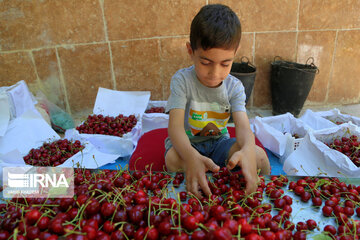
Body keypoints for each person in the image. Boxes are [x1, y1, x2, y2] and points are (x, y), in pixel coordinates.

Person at [164, 4, 270, 199]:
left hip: (219, 143)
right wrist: (190, 157)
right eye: (205, 63)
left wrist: (246, 151)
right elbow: (175, 129)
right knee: (171, 159)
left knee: (260, 157)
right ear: (190, 50)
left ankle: (259, 193)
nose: (215, 73)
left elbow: (244, 129)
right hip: (188, 144)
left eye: (225, 63)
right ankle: (200, 167)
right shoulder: (181, 81)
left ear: (235, 53)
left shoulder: (235, 87)